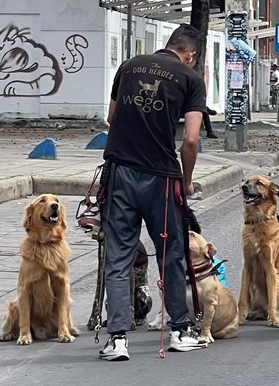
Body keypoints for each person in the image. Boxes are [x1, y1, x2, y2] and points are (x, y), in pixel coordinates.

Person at [99, 24, 209, 361]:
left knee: (118, 256)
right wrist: (187, 181)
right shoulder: (190, 80)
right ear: (190, 54)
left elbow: (111, 117)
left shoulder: (129, 67)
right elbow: (190, 139)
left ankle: (117, 339)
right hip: (160, 179)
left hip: (119, 172)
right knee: (170, 255)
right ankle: (179, 330)